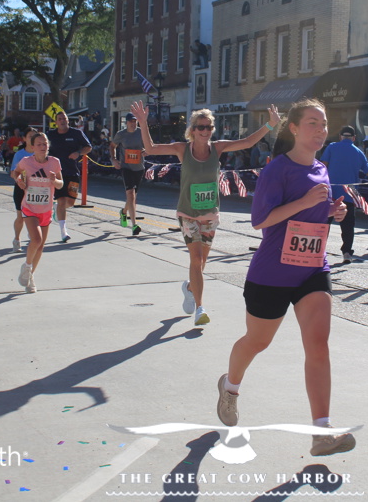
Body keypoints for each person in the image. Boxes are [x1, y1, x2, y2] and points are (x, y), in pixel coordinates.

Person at [216, 98, 355, 457]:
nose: (320, 130)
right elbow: (260, 220)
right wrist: (306, 201)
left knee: (318, 344)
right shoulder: (277, 169)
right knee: (257, 341)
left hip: (313, 269)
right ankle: (230, 387)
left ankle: (321, 431)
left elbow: (313, 215)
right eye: (312, 123)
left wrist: (332, 211)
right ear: (293, 128)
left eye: (324, 124)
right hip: (272, 273)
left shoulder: (322, 169)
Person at [131, 100, 280, 326]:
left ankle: (190, 288)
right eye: (200, 127)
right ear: (192, 130)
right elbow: (150, 149)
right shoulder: (182, 149)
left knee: (201, 264)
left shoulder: (217, 148)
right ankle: (200, 308)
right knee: (196, 259)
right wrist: (143, 123)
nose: (205, 131)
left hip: (210, 213)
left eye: (208, 127)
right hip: (188, 213)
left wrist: (270, 125)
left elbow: (248, 141)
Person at [11, 132, 63, 293]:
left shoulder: (54, 162)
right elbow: (15, 172)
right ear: (32, 147)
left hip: (46, 209)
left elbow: (60, 184)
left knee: (40, 246)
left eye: (45, 144)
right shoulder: (26, 162)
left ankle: (30, 276)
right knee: (36, 239)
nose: (43, 147)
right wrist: (19, 180)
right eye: (39, 144)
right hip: (30, 207)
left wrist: (54, 180)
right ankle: (27, 266)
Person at [319, 125, 368, 262]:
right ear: (354, 138)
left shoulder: (331, 147)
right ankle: (347, 253)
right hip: (349, 194)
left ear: (340, 136)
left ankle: (319, 250)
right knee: (348, 226)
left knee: (324, 223)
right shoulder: (358, 152)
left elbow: (322, 166)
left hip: (330, 193)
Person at [47, 112, 92, 243]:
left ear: (68, 121)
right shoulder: (50, 135)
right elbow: (42, 148)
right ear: (56, 122)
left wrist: (78, 153)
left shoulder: (76, 133)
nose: (62, 121)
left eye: (64, 119)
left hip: (72, 172)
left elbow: (88, 147)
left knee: (70, 202)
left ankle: (58, 210)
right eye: (60, 119)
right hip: (57, 174)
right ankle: (64, 232)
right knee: (61, 201)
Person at [110, 113, 146, 236]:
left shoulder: (141, 132)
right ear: (126, 122)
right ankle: (134, 225)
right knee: (130, 194)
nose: (133, 123)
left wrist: (146, 151)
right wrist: (114, 159)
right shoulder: (121, 134)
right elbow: (112, 146)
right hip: (126, 167)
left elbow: (149, 145)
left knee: (133, 196)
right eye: (131, 121)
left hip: (139, 168)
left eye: (135, 121)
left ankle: (124, 212)